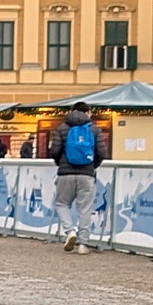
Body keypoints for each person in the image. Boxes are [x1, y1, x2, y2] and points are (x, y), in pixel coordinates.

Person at [46, 99, 103, 252]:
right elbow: (102, 153)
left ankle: (70, 231)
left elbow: (54, 151)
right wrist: (92, 166)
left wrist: (61, 164)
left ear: (71, 111)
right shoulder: (94, 130)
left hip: (65, 173)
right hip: (87, 174)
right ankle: (83, 244)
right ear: (88, 112)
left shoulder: (62, 128)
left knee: (61, 204)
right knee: (85, 208)